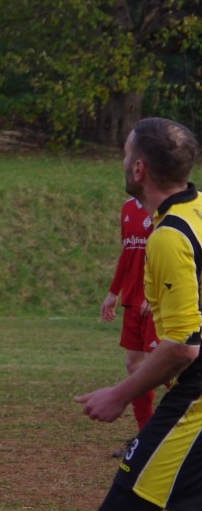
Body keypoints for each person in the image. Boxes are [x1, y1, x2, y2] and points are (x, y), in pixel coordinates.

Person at [76, 117, 202, 511]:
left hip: (197, 397)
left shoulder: (169, 236)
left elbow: (184, 346)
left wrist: (119, 394)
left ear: (138, 169)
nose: (124, 160)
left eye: (126, 153)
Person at [99, 196, 157, 458]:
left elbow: (172, 256)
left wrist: (153, 294)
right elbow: (127, 252)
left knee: (167, 368)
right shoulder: (126, 207)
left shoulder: (165, 205)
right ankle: (146, 440)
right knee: (134, 366)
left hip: (155, 302)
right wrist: (113, 292)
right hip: (132, 302)